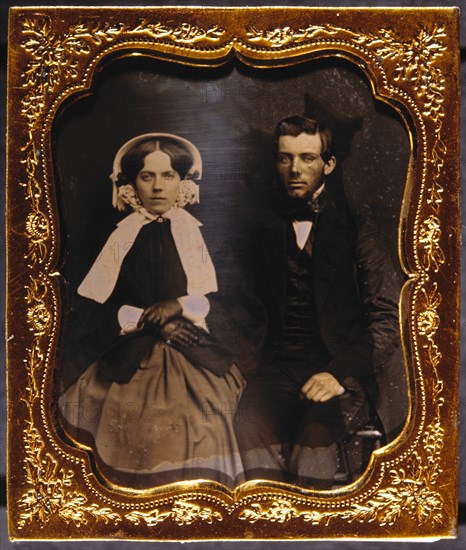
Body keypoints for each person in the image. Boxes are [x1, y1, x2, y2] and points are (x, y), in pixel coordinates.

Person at [58, 133, 263, 489]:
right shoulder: (119, 237)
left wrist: (180, 306)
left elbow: (237, 303)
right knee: (116, 414)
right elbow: (86, 309)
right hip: (128, 352)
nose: (157, 187)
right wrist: (142, 318)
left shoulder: (207, 236)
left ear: (183, 182)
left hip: (196, 349)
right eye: (147, 176)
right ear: (131, 183)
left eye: (167, 176)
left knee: (203, 418)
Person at [234, 115, 400, 489]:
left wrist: (338, 373)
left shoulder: (357, 228)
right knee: (247, 425)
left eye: (307, 158)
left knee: (313, 441)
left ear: (328, 164)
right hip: (277, 370)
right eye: (285, 158)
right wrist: (242, 365)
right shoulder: (261, 229)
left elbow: (387, 320)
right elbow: (238, 306)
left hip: (340, 372)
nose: (295, 169)